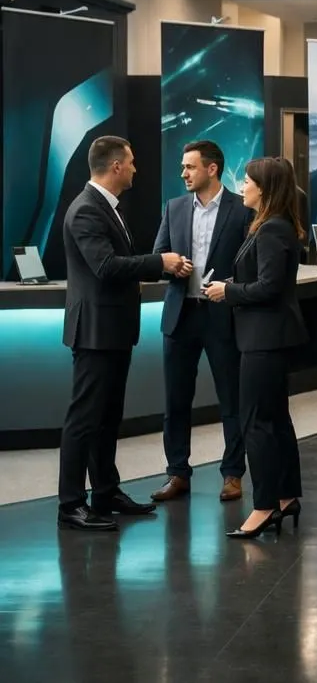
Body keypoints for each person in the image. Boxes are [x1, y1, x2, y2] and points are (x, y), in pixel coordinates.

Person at [58, 136, 191, 532]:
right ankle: (70, 504)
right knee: (84, 419)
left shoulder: (107, 207)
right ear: (115, 166)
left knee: (107, 417)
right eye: (131, 162)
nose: (135, 168)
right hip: (95, 332)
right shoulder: (86, 209)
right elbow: (106, 266)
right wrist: (160, 262)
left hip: (113, 331)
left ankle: (105, 492)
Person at [204, 157, 308, 539]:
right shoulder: (271, 226)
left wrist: (228, 291)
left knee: (257, 422)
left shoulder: (272, 229)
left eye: (247, 181)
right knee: (275, 418)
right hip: (267, 337)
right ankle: (285, 496)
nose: (242, 186)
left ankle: (264, 506)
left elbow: (269, 287)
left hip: (264, 339)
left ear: (264, 188)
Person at [150, 139, 252, 505]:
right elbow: (158, 256)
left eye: (190, 166)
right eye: (183, 167)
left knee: (232, 399)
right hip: (181, 315)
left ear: (212, 169)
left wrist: (231, 287)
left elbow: (250, 265)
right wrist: (171, 265)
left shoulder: (242, 211)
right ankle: (177, 473)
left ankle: (233, 473)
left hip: (222, 315)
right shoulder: (174, 207)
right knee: (176, 400)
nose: (183, 173)